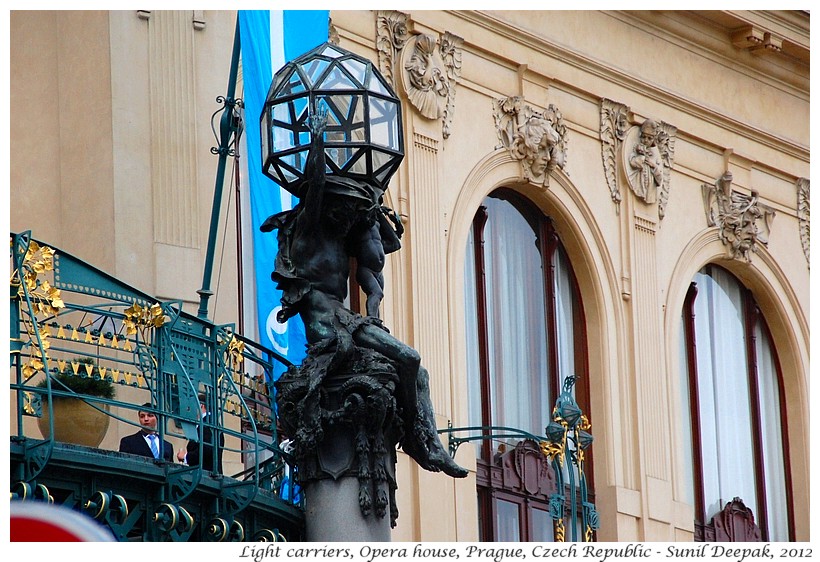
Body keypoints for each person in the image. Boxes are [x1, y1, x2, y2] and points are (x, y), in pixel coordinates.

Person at [261, 109, 467, 478]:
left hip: (346, 321)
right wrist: (318, 139)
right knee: (409, 358)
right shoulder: (308, 236)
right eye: (340, 209)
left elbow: (384, 245)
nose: (344, 215)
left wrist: (380, 210)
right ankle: (424, 445)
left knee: (418, 373)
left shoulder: (340, 240)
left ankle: (429, 444)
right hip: (327, 328)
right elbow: (318, 188)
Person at [177, 393, 224, 473]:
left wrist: (185, 456)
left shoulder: (207, 423)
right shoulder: (210, 422)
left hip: (206, 474)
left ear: (201, 405)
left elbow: (207, 449)